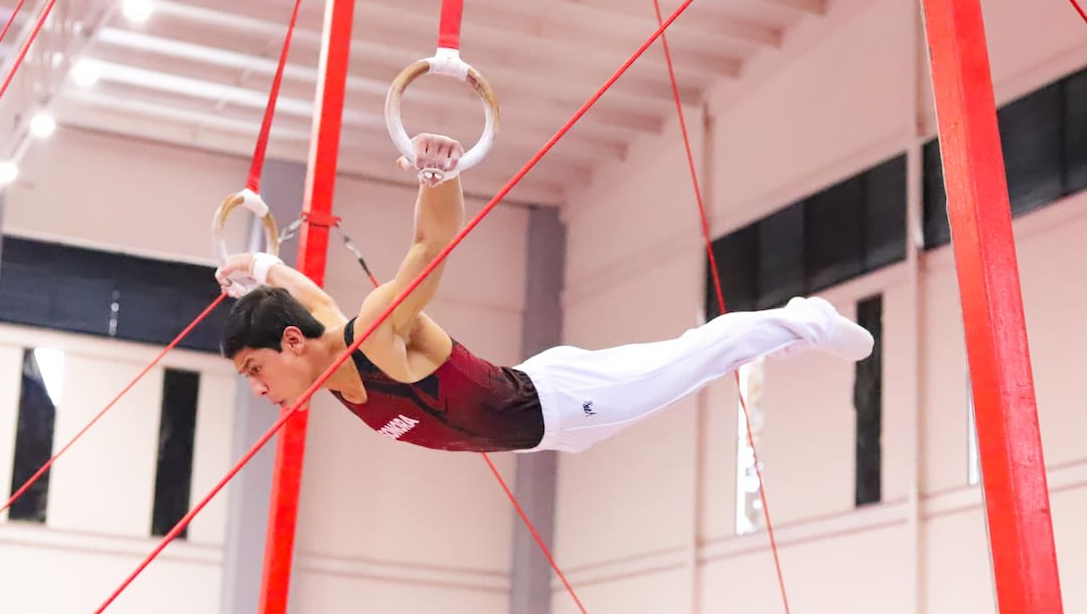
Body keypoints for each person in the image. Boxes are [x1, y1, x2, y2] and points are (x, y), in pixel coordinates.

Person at [216, 134, 873, 454]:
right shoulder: (330, 365)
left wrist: (438, 175)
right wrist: (263, 268)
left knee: (694, 357)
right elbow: (314, 303)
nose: (258, 388)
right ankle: (787, 332)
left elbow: (431, 248)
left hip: (567, 400)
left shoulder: (375, 334)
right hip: (550, 429)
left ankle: (802, 321)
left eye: (254, 369)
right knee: (695, 364)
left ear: (290, 343)